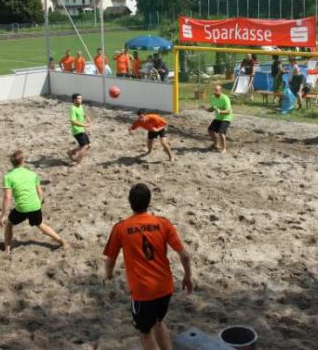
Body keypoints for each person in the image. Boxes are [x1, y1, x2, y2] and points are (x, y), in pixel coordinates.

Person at [103, 183, 193, 350]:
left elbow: (110, 260)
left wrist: (108, 274)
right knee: (159, 322)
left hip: (142, 292)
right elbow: (185, 255)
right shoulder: (163, 223)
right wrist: (188, 276)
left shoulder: (121, 228)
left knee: (145, 334)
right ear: (149, 201)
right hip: (165, 287)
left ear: (130, 202)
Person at [0, 150, 68, 254]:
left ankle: (7, 249)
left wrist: (3, 215)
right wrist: (38, 203)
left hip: (22, 208)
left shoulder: (8, 177)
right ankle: (62, 241)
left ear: (12, 163)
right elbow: (40, 192)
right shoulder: (32, 174)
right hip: (35, 205)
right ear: (23, 161)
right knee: (40, 224)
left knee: (9, 223)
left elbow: (7, 197)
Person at [204, 84, 233, 153]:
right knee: (210, 130)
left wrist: (221, 112)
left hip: (226, 117)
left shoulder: (225, 98)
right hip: (218, 118)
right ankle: (216, 144)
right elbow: (212, 109)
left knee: (221, 132)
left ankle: (224, 148)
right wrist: (206, 109)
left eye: (217, 91)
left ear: (220, 91)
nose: (215, 92)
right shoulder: (213, 98)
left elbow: (228, 111)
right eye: (214, 91)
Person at [67, 93, 92, 164]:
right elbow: (73, 121)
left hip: (82, 130)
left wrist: (87, 117)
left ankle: (71, 152)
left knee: (88, 146)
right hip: (77, 130)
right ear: (74, 100)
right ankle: (78, 161)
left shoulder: (80, 106)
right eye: (79, 98)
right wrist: (84, 125)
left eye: (81, 98)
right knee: (85, 146)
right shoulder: (73, 109)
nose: (80, 100)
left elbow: (83, 113)